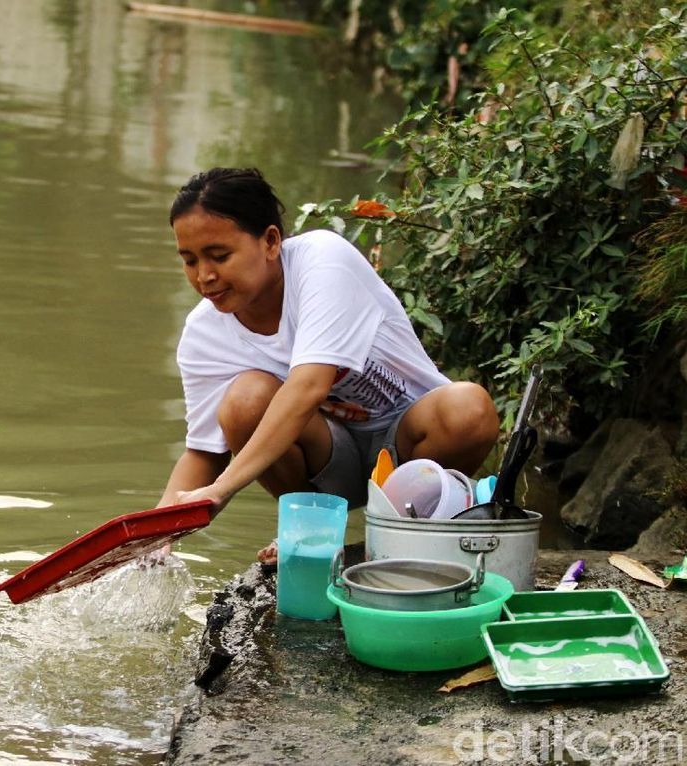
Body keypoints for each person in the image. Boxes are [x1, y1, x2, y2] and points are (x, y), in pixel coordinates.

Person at [155, 167, 499, 562]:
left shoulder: (322, 260)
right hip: (329, 456)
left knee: (469, 408)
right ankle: (310, 528)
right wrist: (153, 538)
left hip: (411, 444)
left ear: (270, 242)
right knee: (244, 401)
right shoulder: (204, 332)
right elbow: (204, 453)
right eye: (189, 261)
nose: (205, 276)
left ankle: (405, 533)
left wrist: (221, 490)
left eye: (219, 256)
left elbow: (309, 386)